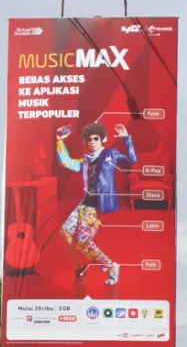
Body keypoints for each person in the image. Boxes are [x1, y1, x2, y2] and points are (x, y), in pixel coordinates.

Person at [56, 121, 138, 286]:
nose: (92, 141)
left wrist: (126, 139)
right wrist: (60, 141)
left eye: (95, 138)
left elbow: (131, 159)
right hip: (85, 203)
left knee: (83, 241)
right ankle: (80, 268)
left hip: (98, 205)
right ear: (85, 142)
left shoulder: (110, 154)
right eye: (89, 139)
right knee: (65, 233)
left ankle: (111, 266)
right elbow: (65, 162)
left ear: (103, 139)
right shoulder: (85, 161)